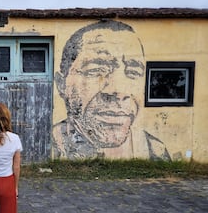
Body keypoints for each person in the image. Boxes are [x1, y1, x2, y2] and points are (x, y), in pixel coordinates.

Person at [54, 20, 170, 160]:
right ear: (61, 84)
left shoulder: (156, 151)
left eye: (133, 72)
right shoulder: (46, 146)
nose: (119, 92)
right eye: (96, 70)